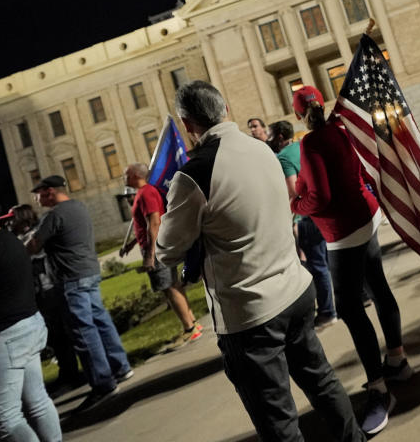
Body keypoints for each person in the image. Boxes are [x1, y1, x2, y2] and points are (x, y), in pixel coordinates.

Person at [156, 81, 363, 442]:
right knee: (323, 383)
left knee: (277, 421)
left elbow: (167, 252)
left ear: (187, 124)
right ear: (226, 111)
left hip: (250, 312)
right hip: (294, 290)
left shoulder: (194, 175)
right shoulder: (261, 148)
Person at [290, 85, 412, 436]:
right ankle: (397, 360)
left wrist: (295, 205)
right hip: (365, 216)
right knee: (378, 286)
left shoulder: (311, 143)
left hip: (342, 231)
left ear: (298, 113)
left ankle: (379, 389)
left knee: (349, 308)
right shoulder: (342, 130)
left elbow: (320, 196)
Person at [26, 175, 133, 411]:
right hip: (89, 271)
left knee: (83, 330)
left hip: (71, 277)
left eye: (40, 193)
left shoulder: (53, 215)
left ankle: (104, 384)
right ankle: (121, 367)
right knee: (101, 321)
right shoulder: (79, 207)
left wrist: (26, 241)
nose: (37, 198)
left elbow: (34, 246)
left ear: (50, 192)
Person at [0, 195, 62, 441]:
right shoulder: (13, 243)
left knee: (3, 422)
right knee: (38, 402)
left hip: (3, 338)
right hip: (30, 327)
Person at [121, 164, 203, 346]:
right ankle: (193, 324)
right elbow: (144, 225)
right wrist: (131, 244)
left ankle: (190, 328)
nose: (123, 177)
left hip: (155, 247)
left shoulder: (146, 193)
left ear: (135, 175)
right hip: (155, 245)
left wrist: (150, 255)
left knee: (169, 288)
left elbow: (155, 223)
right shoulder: (143, 193)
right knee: (173, 285)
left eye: (126, 174)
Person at [267, 121, 338, 332]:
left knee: (317, 265)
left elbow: (292, 189)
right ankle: (335, 305)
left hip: (306, 216)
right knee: (325, 260)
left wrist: (292, 211)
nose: (268, 139)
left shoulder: (283, 158)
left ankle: (327, 311)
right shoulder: (301, 147)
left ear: (280, 137)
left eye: (271, 135)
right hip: (322, 210)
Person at [4, 205, 82, 394]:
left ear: (22, 219)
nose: (8, 223)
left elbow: (24, 257)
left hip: (48, 291)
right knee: (55, 336)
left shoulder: (34, 237)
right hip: (40, 293)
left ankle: (71, 375)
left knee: (59, 334)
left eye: (12, 219)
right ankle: (68, 372)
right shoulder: (21, 238)